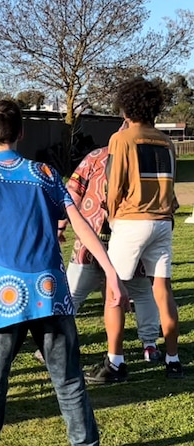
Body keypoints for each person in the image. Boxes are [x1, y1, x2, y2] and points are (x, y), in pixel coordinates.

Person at [0, 100, 126, 446]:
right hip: (49, 293)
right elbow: (79, 224)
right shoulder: (44, 173)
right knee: (69, 378)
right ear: (22, 132)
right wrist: (110, 273)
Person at [87, 77, 183, 382]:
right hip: (162, 222)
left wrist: (113, 217)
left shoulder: (122, 139)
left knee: (114, 290)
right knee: (162, 291)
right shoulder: (167, 141)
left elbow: (114, 185)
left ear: (126, 107)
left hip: (132, 220)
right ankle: (173, 360)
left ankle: (115, 363)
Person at [58, 143, 163, 369]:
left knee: (71, 295)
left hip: (92, 236)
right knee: (141, 292)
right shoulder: (146, 157)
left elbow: (73, 191)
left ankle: (56, 344)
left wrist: (61, 224)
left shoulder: (96, 156)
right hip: (129, 237)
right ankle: (150, 344)